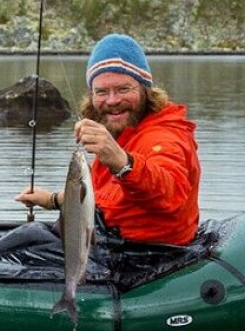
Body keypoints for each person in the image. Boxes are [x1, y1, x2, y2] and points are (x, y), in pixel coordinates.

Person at [15, 34, 201, 245]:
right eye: (102, 92)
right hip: (110, 242)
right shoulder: (123, 132)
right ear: (92, 96)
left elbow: (170, 194)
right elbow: (104, 197)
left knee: (27, 238)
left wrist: (123, 162)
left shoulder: (164, 137)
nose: (112, 101)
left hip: (145, 255)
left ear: (145, 90)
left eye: (123, 89)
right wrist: (52, 200)